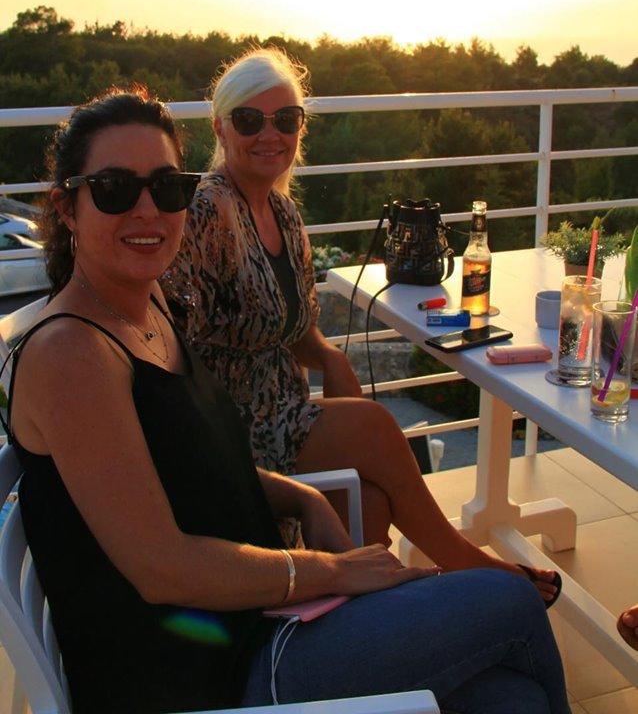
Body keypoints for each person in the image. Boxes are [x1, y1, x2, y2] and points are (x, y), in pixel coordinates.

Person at [3, 87, 571, 714]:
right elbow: (161, 567)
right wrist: (330, 570)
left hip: (260, 621)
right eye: (114, 188)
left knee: (511, 697)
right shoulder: (71, 354)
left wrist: (301, 497)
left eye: (167, 187)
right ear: (67, 207)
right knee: (510, 606)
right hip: (208, 678)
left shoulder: (149, 305)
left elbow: (193, 465)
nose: (147, 210)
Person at [162, 47, 562, 598]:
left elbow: (291, 326)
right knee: (373, 427)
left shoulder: (282, 212)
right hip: (234, 425)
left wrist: (329, 357)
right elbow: (168, 336)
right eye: (250, 120)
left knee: (371, 502)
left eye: (286, 120)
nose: (270, 134)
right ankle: (475, 569)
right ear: (220, 128)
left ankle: (356, 616)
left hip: (284, 409)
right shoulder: (207, 211)